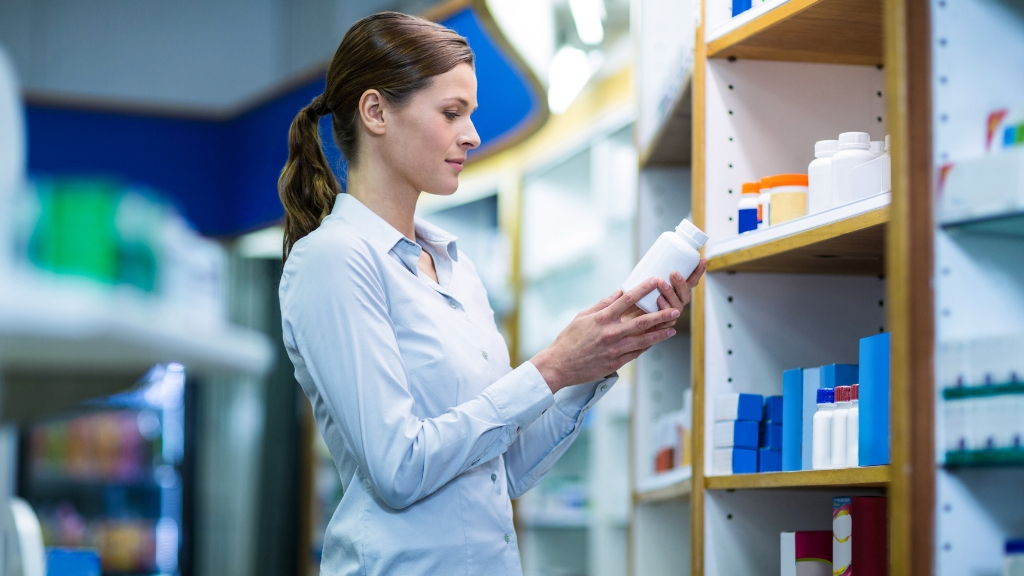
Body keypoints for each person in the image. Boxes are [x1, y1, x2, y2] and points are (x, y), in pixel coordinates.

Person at [277, 12, 707, 575]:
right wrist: (551, 367)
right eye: (451, 113)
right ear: (376, 111)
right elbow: (398, 469)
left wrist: (598, 359)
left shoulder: (457, 269)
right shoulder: (334, 261)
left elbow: (505, 471)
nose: (472, 136)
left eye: (470, 115)